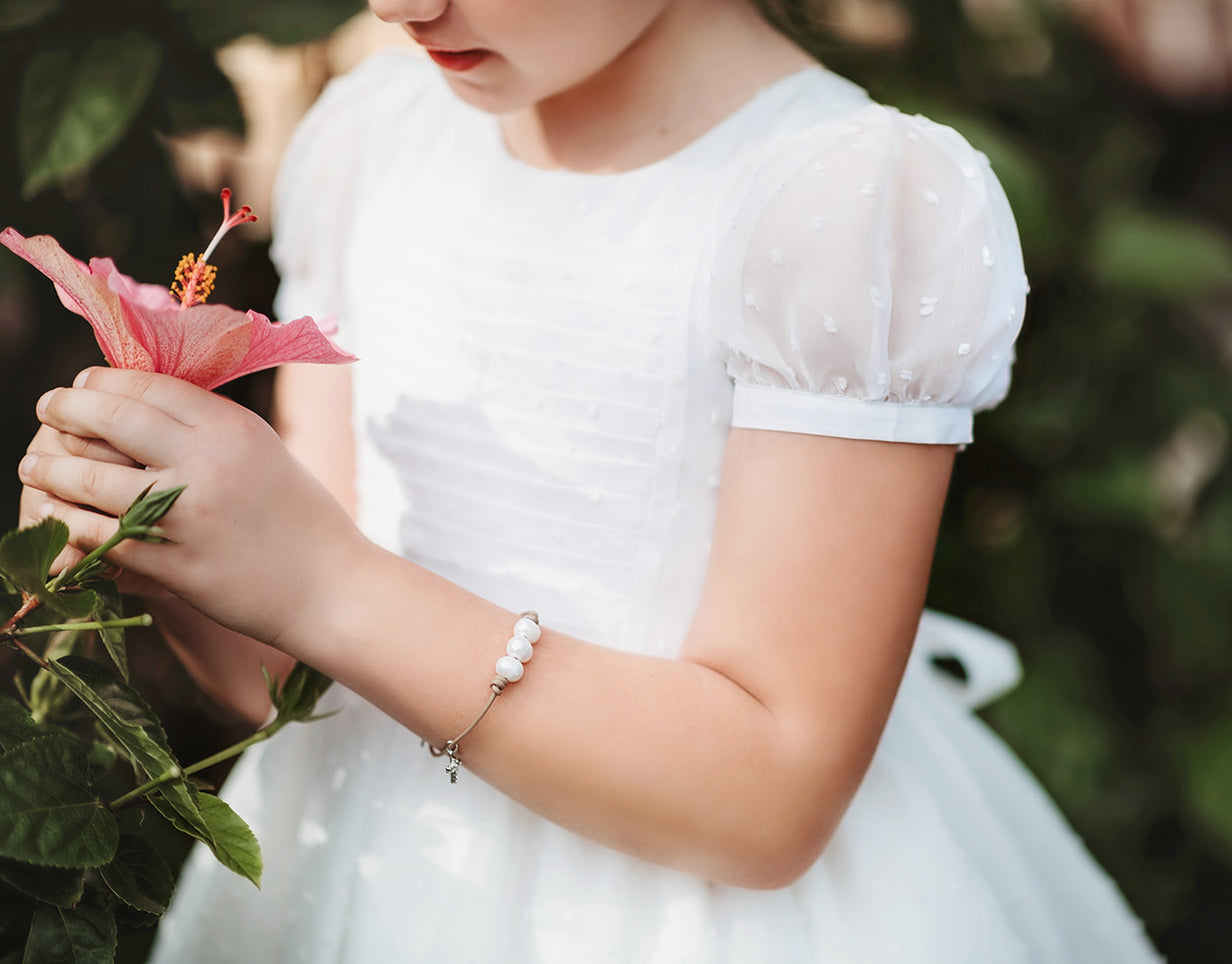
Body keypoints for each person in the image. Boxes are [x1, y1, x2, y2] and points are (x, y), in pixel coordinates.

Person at [16, 1, 1162, 960]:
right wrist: (172, 553)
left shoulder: (841, 202)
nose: (402, 5)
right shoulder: (372, 138)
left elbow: (771, 798)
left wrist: (320, 579)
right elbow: (306, 681)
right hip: (369, 871)